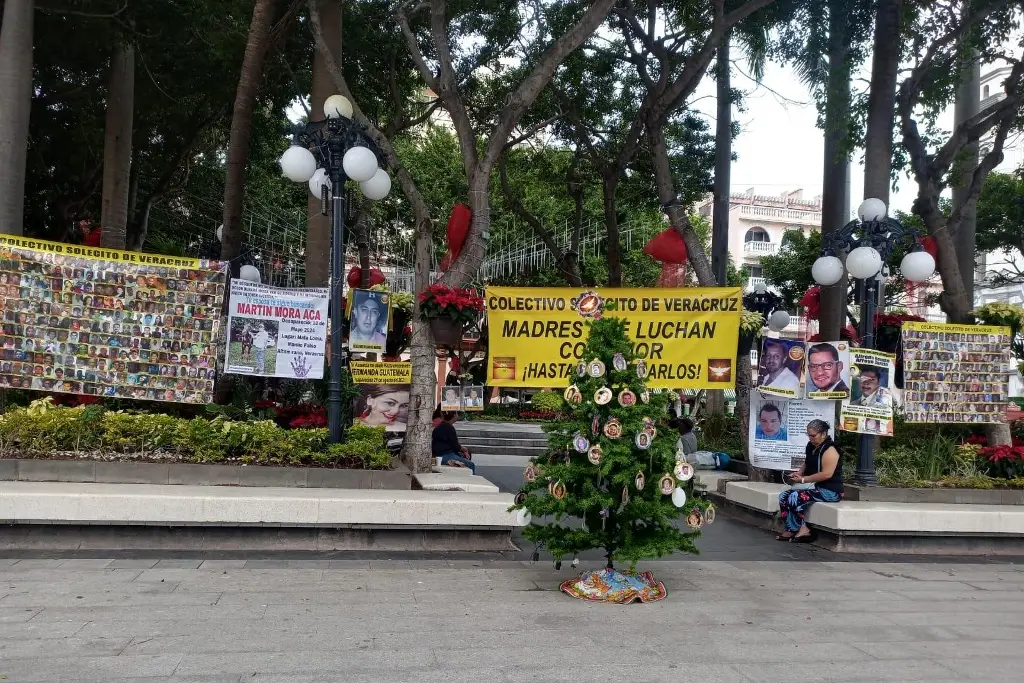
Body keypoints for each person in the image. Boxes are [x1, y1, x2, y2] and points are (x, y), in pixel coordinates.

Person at [777, 419, 843, 542]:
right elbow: (807, 463)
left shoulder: (831, 450)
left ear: (823, 433)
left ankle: (804, 529)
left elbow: (827, 474)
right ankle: (792, 528)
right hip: (816, 488)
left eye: (813, 435)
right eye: (808, 435)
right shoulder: (811, 446)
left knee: (796, 496)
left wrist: (803, 479)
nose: (810, 438)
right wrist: (799, 473)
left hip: (831, 491)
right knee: (783, 496)